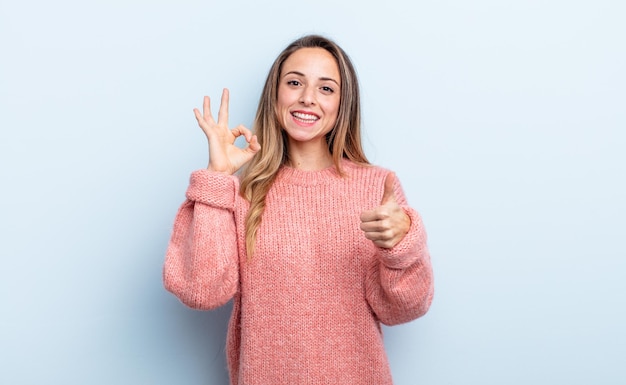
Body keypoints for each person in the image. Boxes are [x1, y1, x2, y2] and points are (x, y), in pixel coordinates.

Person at [163, 34, 434, 385]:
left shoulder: (376, 188)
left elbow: (404, 308)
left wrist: (400, 249)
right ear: (275, 94)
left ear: (342, 104)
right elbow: (203, 291)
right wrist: (217, 178)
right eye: (294, 83)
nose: (308, 98)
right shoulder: (242, 192)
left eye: (326, 88)